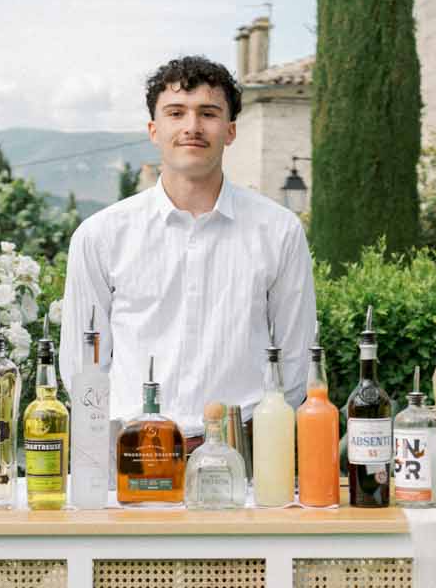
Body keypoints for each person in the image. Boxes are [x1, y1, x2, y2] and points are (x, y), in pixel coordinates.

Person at [60, 54, 318, 451]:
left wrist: (263, 441)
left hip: (243, 451)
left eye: (208, 113)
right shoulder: (100, 236)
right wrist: (111, 447)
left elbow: (294, 360)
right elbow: (82, 365)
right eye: (176, 113)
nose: (192, 127)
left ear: (231, 130)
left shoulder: (279, 232)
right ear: (153, 129)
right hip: (132, 452)